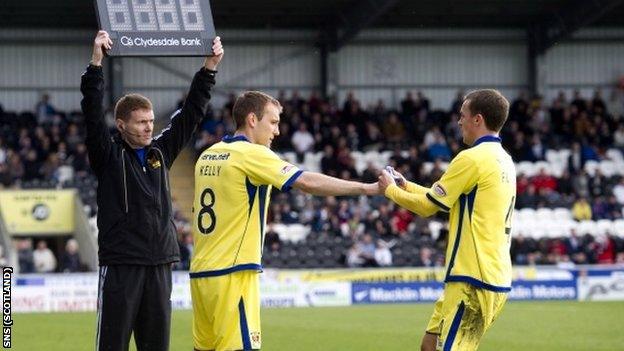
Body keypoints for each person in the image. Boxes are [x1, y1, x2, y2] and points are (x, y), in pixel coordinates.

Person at [189, 91, 379, 351]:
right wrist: (367, 189)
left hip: (201, 274)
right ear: (252, 120)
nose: (277, 131)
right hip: (234, 274)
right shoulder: (252, 154)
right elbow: (306, 182)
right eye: (274, 122)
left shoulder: (207, 155)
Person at [81, 30, 223, 351]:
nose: (148, 126)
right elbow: (91, 113)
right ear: (121, 125)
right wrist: (96, 62)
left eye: (150, 121)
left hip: (160, 264)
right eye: (141, 122)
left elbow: (190, 116)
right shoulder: (107, 155)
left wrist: (209, 68)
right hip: (121, 265)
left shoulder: (161, 152)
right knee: (112, 346)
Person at [378, 89, 515, 351]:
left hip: (473, 281)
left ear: (477, 119)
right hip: (487, 275)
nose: (458, 121)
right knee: (429, 346)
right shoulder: (504, 160)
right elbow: (444, 200)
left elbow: (428, 208)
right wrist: (407, 186)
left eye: (462, 115)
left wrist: (390, 191)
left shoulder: (472, 158)